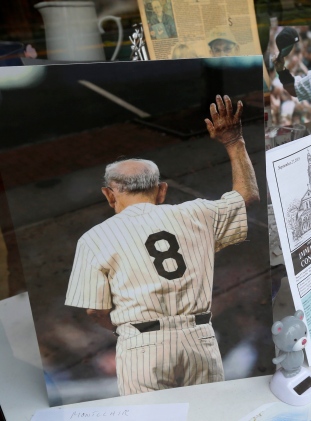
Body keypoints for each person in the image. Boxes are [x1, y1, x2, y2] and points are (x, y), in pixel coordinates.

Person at [64, 95, 259, 396]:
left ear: (109, 195)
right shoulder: (196, 213)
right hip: (199, 338)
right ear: (162, 191)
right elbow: (247, 196)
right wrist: (234, 141)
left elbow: (94, 312)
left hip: (142, 346)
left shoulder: (94, 238)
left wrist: (125, 331)